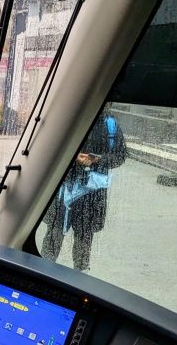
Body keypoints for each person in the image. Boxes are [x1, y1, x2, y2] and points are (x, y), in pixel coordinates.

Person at [40, 112, 127, 272]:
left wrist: (98, 159)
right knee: (54, 235)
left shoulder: (109, 124)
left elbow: (121, 155)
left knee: (83, 241)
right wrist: (72, 157)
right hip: (64, 189)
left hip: (92, 194)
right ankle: (43, 273)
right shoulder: (69, 115)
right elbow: (49, 146)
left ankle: (80, 277)